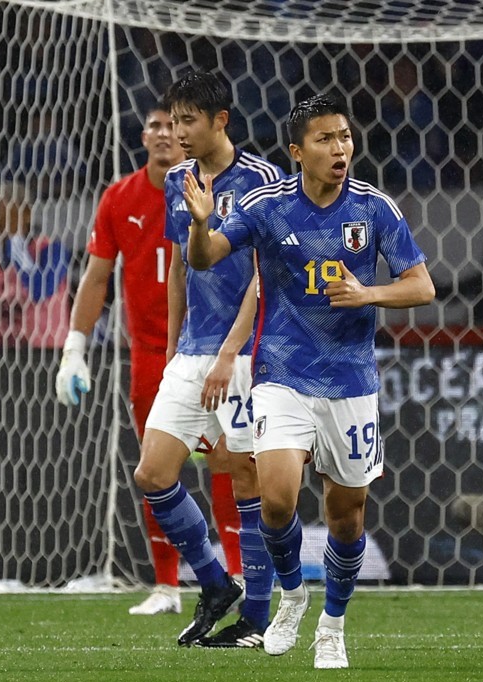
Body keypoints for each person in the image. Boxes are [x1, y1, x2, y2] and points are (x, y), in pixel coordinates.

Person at [183, 92, 435, 668]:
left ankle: (333, 624)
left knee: (348, 513)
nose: (340, 148)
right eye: (325, 139)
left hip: (350, 382)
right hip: (281, 374)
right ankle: (292, 597)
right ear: (298, 152)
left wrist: (369, 292)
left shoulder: (374, 208)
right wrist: (201, 225)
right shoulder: (267, 205)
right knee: (276, 497)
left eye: (344, 137)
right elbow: (206, 257)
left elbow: (421, 286)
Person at [54, 105, 249, 616]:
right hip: (152, 353)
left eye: (176, 124)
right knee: (158, 469)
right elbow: (97, 277)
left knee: (230, 464)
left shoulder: (230, 187)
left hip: (224, 348)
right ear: (143, 136)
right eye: (158, 126)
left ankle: (241, 575)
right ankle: (167, 585)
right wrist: (75, 345)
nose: (168, 134)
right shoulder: (119, 197)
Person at [132, 69, 285, 649]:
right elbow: (179, 268)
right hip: (193, 352)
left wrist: (228, 352)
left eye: (188, 121)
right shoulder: (178, 180)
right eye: (171, 121)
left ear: (221, 120)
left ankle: (257, 616)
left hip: (247, 352)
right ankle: (215, 583)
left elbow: (266, 274)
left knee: (247, 476)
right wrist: (175, 347)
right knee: (153, 472)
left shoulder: (264, 181)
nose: (177, 132)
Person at [0, 180, 70, 349]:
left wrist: (16, 247)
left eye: (7, 214)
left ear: (27, 215)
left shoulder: (52, 252)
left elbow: (39, 291)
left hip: (45, 354)